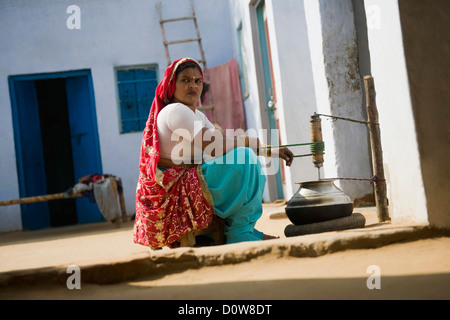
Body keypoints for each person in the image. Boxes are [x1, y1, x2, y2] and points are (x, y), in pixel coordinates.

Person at [133, 57, 294, 249]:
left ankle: (243, 231)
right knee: (244, 158)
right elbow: (215, 148)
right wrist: (245, 142)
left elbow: (222, 142)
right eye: (185, 80)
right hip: (175, 191)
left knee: (246, 159)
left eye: (197, 80)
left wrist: (272, 151)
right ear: (171, 85)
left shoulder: (196, 114)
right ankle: (240, 232)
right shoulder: (175, 111)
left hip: (190, 180)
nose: (192, 85)